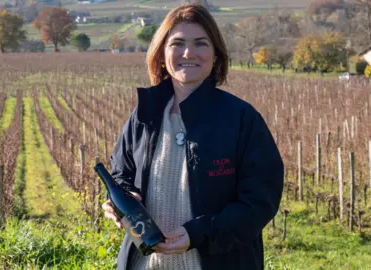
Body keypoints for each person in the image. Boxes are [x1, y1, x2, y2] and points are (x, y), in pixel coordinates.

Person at [102, 4, 284, 270]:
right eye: (177, 43)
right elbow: (121, 175)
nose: (189, 53)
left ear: (216, 55)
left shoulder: (241, 119)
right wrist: (121, 203)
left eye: (200, 43)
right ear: (162, 54)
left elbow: (259, 202)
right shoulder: (144, 115)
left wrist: (200, 233)